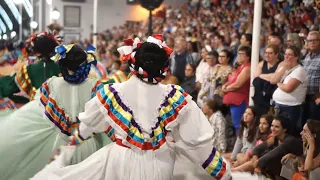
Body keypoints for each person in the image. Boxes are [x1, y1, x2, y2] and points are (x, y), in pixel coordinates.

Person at [31, 34, 231, 180]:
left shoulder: (112, 93)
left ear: (132, 64)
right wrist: (223, 173)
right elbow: (197, 145)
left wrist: (68, 149)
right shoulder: (176, 97)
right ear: (164, 68)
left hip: (120, 161)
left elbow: (87, 126)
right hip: (159, 164)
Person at [0, 44, 114, 180]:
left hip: (61, 145)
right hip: (89, 145)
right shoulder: (97, 86)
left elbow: (36, 109)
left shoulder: (51, 85)